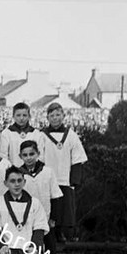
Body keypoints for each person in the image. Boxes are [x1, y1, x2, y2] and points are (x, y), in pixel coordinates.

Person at [40, 103, 88, 242]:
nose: (55, 118)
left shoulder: (71, 135)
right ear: (48, 117)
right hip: (48, 177)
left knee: (64, 207)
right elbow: (39, 156)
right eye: (52, 115)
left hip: (64, 178)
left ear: (63, 116)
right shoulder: (42, 135)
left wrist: (74, 180)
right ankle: (48, 233)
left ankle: (61, 232)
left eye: (58, 115)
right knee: (49, 206)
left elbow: (77, 158)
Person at [19, 140, 63, 254]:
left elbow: (55, 196)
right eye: (25, 155)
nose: (29, 157)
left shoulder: (48, 172)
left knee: (50, 250)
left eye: (32, 154)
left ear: (38, 154)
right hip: (26, 220)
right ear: (20, 156)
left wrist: (53, 219)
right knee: (30, 251)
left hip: (45, 218)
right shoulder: (19, 174)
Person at [0, 102, 44, 167]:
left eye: (24, 115)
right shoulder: (6, 133)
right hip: (13, 172)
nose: (21, 118)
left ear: (29, 116)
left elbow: (40, 155)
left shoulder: (36, 133)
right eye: (18, 115)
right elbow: (3, 155)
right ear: (13, 116)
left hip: (32, 173)